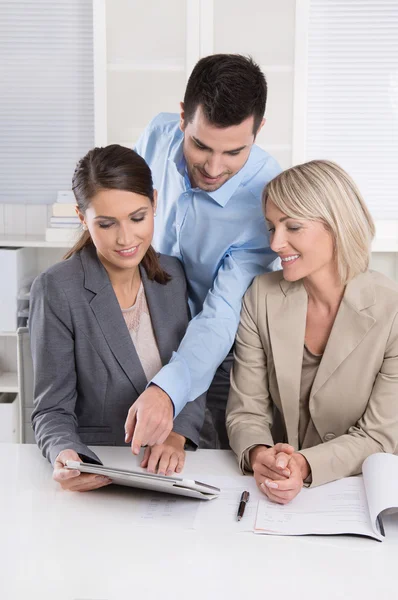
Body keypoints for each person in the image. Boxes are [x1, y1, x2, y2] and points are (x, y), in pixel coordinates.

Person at [127, 53, 281, 451]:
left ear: (259, 129)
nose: (214, 167)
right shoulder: (158, 135)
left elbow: (222, 312)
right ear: (182, 117)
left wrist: (167, 391)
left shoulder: (266, 199)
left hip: (211, 355)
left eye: (234, 152)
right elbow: (123, 210)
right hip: (139, 336)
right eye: (201, 145)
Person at [30, 145, 206, 492]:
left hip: (177, 468)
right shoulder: (58, 289)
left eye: (138, 218)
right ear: (83, 218)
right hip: (107, 468)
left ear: (155, 202)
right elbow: (51, 410)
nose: (126, 239)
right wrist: (66, 453)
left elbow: (193, 365)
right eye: (107, 224)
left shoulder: (172, 274)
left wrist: (177, 434)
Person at [226, 159, 398, 504]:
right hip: (271, 489)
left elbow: (380, 435)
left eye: (293, 227)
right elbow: (247, 410)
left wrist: (304, 465)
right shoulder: (261, 296)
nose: (275, 244)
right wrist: (261, 455)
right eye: (272, 227)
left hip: (352, 491)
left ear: (336, 225)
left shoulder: (391, 311)